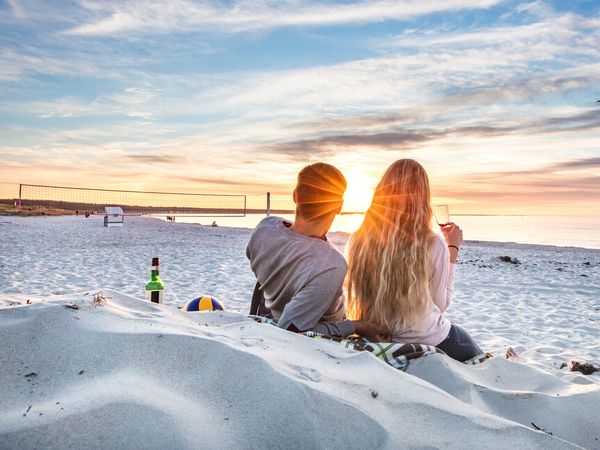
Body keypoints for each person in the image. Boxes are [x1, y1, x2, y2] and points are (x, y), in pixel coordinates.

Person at [346, 159, 483, 362]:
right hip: (426, 338)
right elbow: (440, 304)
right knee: (474, 353)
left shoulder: (358, 238)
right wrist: (452, 249)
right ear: (422, 198)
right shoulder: (433, 243)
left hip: (376, 336)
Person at [246, 162, 388, 340]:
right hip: (319, 339)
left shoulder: (264, 229)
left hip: (271, 309)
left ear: (295, 196)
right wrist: (355, 326)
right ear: (339, 206)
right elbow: (290, 329)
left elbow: (262, 276)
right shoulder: (331, 264)